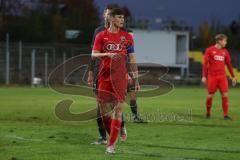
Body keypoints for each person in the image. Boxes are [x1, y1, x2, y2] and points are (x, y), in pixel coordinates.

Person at [92, 8, 140, 154]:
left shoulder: (127, 37)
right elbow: (94, 54)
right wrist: (108, 54)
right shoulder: (101, 36)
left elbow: (132, 58)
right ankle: (113, 133)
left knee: (118, 111)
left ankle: (111, 146)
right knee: (104, 112)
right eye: (119, 17)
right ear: (111, 19)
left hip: (120, 78)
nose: (122, 20)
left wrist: (136, 80)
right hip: (104, 77)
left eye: (123, 18)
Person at [202, 34, 237, 120]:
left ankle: (225, 115)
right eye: (225, 40)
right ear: (219, 41)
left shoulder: (225, 52)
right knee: (210, 95)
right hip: (212, 76)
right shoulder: (209, 50)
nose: (226, 42)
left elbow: (229, 65)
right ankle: (208, 113)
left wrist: (233, 77)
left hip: (222, 77)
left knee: (225, 95)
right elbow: (205, 64)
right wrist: (204, 76)